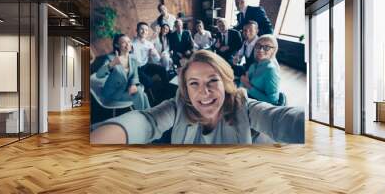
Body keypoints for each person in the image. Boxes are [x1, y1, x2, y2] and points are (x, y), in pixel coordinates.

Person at [90, 50, 304, 144]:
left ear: (226, 83)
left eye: (213, 80)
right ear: (186, 91)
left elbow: (279, 119)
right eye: (194, 83)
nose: (204, 91)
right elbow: (148, 121)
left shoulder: (243, 106)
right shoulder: (178, 107)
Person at [95, 34, 150, 110]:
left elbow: (135, 76)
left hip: (125, 89)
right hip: (112, 93)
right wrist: (112, 64)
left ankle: (148, 115)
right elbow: (98, 75)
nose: (128, 44)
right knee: (138, 93)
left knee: (143, 95)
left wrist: (133, 84)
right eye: (124, 42)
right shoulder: (111, 58)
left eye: (129, 41)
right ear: (117, 45)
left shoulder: (133, 58)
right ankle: (144, 117)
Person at [131, 22, 169, 104]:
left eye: (146, 30)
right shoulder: (131, 44)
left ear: (148, 32)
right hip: (135, 69)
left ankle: (166, 90)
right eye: (141, 29)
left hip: (145, 65)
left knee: (162, 70)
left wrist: (155, 54)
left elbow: (158, 59)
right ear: (136, 30)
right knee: (149, 81)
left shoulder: (149, 44)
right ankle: (151, 99)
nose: (144, 31)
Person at [240, 34, 280, 105]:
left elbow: (273, 101)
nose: (260, 50)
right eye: (258, 46)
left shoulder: (271, 70)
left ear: (273, 50)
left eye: (266, 47)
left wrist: (248, 85)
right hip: (244, 97)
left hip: (255, 106)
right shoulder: (255, 63)